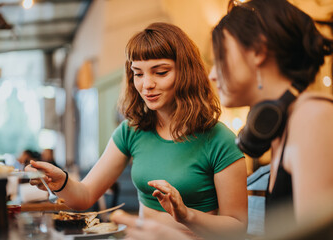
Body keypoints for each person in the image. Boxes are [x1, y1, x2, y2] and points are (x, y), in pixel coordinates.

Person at [113, 0, 333, 239]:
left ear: (258, 51)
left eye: (221, 57)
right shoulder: (288, 126)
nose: (213, 74)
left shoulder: (313, 117)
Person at [26, 22, 248, 238]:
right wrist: (61, 182)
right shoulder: (131, 131)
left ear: (187, 73)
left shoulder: (219, 139)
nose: (146, 84)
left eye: (160, 72)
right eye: (138, 73)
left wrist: (186, 215)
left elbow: (237, 228)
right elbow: (84, 196)